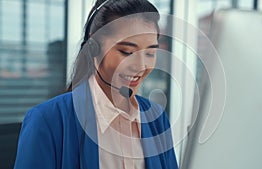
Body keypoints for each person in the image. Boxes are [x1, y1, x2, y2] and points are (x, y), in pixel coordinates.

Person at [14, 0, 178, 169]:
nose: (141, 66)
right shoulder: (48, 120)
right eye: (127, 52)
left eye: (150, 53)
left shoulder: (156, 118)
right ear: (93, 47)